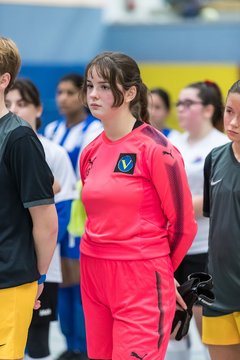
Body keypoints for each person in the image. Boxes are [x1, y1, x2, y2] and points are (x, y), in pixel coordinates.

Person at [79, 51, 197, 360]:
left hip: (140, 276)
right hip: (93, 271)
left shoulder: (157, 151)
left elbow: (183, 224)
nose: (93, 94)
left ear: (130, 92)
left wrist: (159, 269)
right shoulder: (89, 152)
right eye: (90, 85)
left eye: (104, 86)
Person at [5, 78, 78, 360]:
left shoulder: (53, 152)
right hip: (10, 264)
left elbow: (59, 213)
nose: (14, 109)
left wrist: (37, 260)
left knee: (37, 344)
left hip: (41, 265)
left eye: (21, 104)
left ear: (37, 108)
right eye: (9, 103)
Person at [0, 37, 58, 360]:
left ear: (4, 79)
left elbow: (46, 223)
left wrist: (37, 276)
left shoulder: (19, 137)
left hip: (8, 281)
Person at [166, 80, 229, 360]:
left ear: (208, 109)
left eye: (188, 103)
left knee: (207, 329)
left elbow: (218, 197)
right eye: (179, 103)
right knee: (173, 323)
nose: (180, 109)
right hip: (172, 248)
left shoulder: (221, 145)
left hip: (205, 249)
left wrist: (175, 209)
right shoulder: (172, 143)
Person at [44, 73, 102, 360]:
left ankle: (87, 348)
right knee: (62, 281)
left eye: (70, 92)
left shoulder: (94, 130)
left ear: (83, 96)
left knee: (80, 285)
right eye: (59, 92)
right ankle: (69, 346)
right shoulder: (51, 130)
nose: (63, 98)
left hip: (81, 217)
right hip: (53, 214)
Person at [202, 79, 240, 360]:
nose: (234, 122)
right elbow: (216, 225)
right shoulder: (215, 158)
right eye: (229, 111)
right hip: (218, 294)